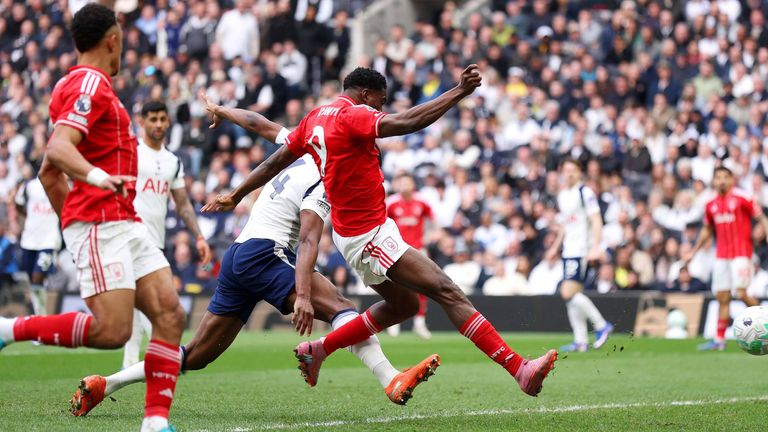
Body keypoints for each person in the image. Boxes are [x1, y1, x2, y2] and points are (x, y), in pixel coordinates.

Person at [203, 65, 557, 397]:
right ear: (368, 95)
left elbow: (272, 156)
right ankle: (519, 369)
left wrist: (237, 193)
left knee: (403, 305)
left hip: (352, 233)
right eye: (381, 101)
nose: (381, 108)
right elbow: (408, 121)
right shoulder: (354, 114)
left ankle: (320, 349)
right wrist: (458, 92)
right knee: (446, 290)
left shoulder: (314, 119)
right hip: (368, 234)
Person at [70, 105, 438, 417]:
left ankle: (108, 383)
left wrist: (222, 110)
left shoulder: (307, 144)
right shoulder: (327, 175)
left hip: (239, 254)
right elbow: (310, 237)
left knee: (197, 355)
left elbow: (259, 124)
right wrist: (305, 294)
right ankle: (389, 377)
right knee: (342, 308)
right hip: (266, 253)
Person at [0, 5, 185, 432]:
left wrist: (72, 216)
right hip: (103, 223)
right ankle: (11, 328)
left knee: (171, 315)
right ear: (113, 40)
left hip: (123, 220)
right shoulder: (88, 83)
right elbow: (57, 151)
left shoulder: (90, 84)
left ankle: (155, 424)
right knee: (113, 331)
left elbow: (48, 174)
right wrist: (96, 188)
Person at [121, 100, 213, 369]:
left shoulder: (173, 161)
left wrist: (198, 236)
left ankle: (148, 361)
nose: (159, 124)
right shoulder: (131, 154)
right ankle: (156, 360)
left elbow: (182, 203)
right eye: (153, 119)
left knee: (151, 303)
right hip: (129, 237)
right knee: (150, 302)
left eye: (162, 119)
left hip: (155, 242)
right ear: (142, 121)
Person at [685, 166, 768, 351]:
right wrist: (694, 251)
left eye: (725, 177)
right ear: (714, 181)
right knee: (722, 296)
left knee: (741, 293)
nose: (721, 180)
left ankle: (765, 324)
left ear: (731, 179)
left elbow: (761, 217)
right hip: (721, 256)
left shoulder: (742, 197)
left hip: (741, 253)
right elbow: (707, 229)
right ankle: (719, 340)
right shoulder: (711, 204)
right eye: (718, 177)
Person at [546, 158, 613, 352]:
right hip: (568, 249)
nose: (569, 174)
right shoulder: (563, 195)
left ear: (579, 172)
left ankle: (601, 325)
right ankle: (581, 340)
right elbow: (565, 226)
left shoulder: (585, 192)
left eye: (573, 170)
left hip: (580, 249)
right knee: (573, 295)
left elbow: (596, 220)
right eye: (565, 170)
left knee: (567, 292)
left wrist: (595, 247)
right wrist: (555, 247)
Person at [385, 173, 433, 339]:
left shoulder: (422, 201)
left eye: (407, 181)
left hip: (419, 249)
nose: (404, 185)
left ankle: (419, 323)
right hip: (397, 250)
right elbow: (381, 221)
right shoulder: (391, 203)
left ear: (413, 184)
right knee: (397, 285)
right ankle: (395, 322)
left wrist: (431, 235)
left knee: (423, 285)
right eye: (401, 182)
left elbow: (434, 221)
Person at [15, 176, 62, 316]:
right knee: (32, 280)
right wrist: (29, 215)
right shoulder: (29, 186)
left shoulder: (60, 185)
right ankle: (38, 313)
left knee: (37, 277)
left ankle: (41, 317)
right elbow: (18, 203)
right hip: (29, 240)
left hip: (49, 240)